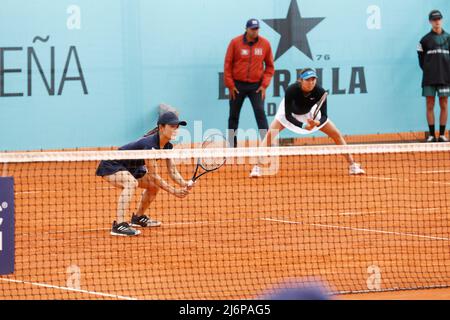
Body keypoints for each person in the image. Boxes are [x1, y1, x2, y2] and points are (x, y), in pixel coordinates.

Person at [250, 68, 365, 177]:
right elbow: (288, 115)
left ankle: (352, 165)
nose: (311, 82)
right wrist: (303, 125)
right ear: (301, 80)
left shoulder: (320, 92)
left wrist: (317, 123)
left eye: (313, 79)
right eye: (307, 80)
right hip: (290, 114)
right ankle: (257, 167)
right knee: (270, 135)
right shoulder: (291, 90)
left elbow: (324, 115)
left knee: (336, 134)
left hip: (309, 114)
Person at [96, 111, 193, 236]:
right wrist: (174, 191)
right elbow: (153, 175)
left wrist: (185, 183)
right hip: (113, 164)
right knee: (131, 183)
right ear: (161, 127)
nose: (175, 130)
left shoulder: (168, 146)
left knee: (153, 186)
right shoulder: (150, 145)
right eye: (172, 126)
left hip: (133, 168)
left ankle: (138, 217)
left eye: (177, 127)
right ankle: (119, 225)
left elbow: (172, 170)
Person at [224, 18, 275, 147]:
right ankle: (232, 145)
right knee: (233, 116)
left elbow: (270, 66)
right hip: (237, 85)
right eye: (252, 29)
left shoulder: (265, 44)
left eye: (257, 29)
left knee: (260, 114)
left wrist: (264, 85)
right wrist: (230, 85)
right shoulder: (235, 43)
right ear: (246, 29)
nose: (254, 31)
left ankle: (267, 144)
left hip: (256, 87)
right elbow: (227, 64)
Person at [417, 10, 450, 142]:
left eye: (438, 19)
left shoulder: (448, 38)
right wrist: (429, 71)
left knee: (444, 105)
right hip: (429, 79)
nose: (437, 22)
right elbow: (421, 61)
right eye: (434, 19)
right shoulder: (424, 40)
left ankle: (442, 135)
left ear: (441, 20)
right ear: (430, 21)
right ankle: (431, 135)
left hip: (445, 78)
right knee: (429, 105)